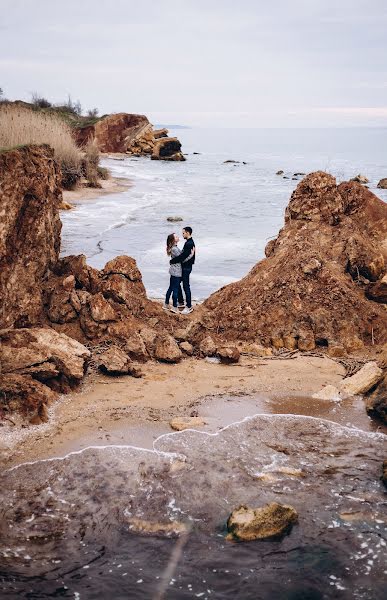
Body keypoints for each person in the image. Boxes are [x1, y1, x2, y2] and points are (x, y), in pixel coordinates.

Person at [170, 226, 195, 314]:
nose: (182, 234)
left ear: (187, 233)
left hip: (186, 268)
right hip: (184, 267)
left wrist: (172, 261)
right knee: (177, 283)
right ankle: (181, 302)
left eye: (183, 233)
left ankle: (189, 306)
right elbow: (183, 255)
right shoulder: (188, 242)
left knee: (186, 286)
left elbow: (182, 257)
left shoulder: (189, 243)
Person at [163, 233, 182, 314]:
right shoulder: (174, 249)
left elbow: (180, 254)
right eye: (176, 236)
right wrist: (191, 254)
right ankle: (174, 307)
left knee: (171, 287)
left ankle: (166, 304)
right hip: (176, 272)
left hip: (173, 271)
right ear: (173, 240)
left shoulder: (174, 248)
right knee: (175, 289)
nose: (178, 237)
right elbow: (181, 258)